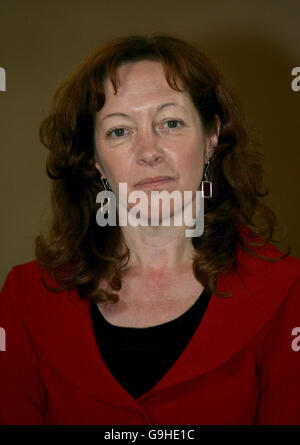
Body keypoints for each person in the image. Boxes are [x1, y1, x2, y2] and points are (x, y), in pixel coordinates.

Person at [0, 33, 300, 426]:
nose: (148, 150)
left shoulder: (286, 290)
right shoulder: (26, 297)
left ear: (211, 138)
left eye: (171, 122)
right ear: (94, 159)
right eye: (119, 131)